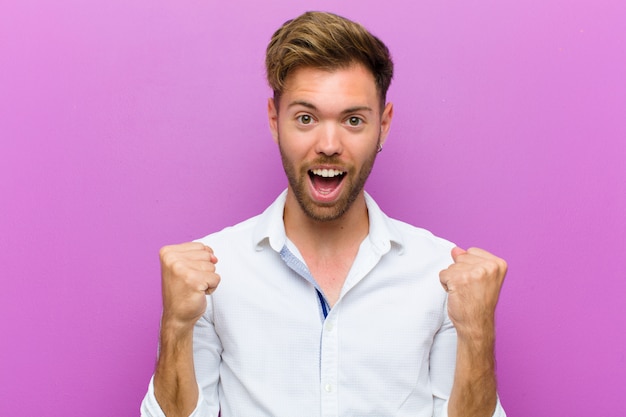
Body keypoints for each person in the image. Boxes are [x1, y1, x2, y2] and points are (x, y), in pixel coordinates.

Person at [141, 11, 507, 417]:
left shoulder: (441, 273)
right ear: (273, 119)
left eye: (353, 120)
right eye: (305, 118)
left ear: (383, 126)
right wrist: (175, 325)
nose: (329, 144)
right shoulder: (211, 272)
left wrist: (477, 332)